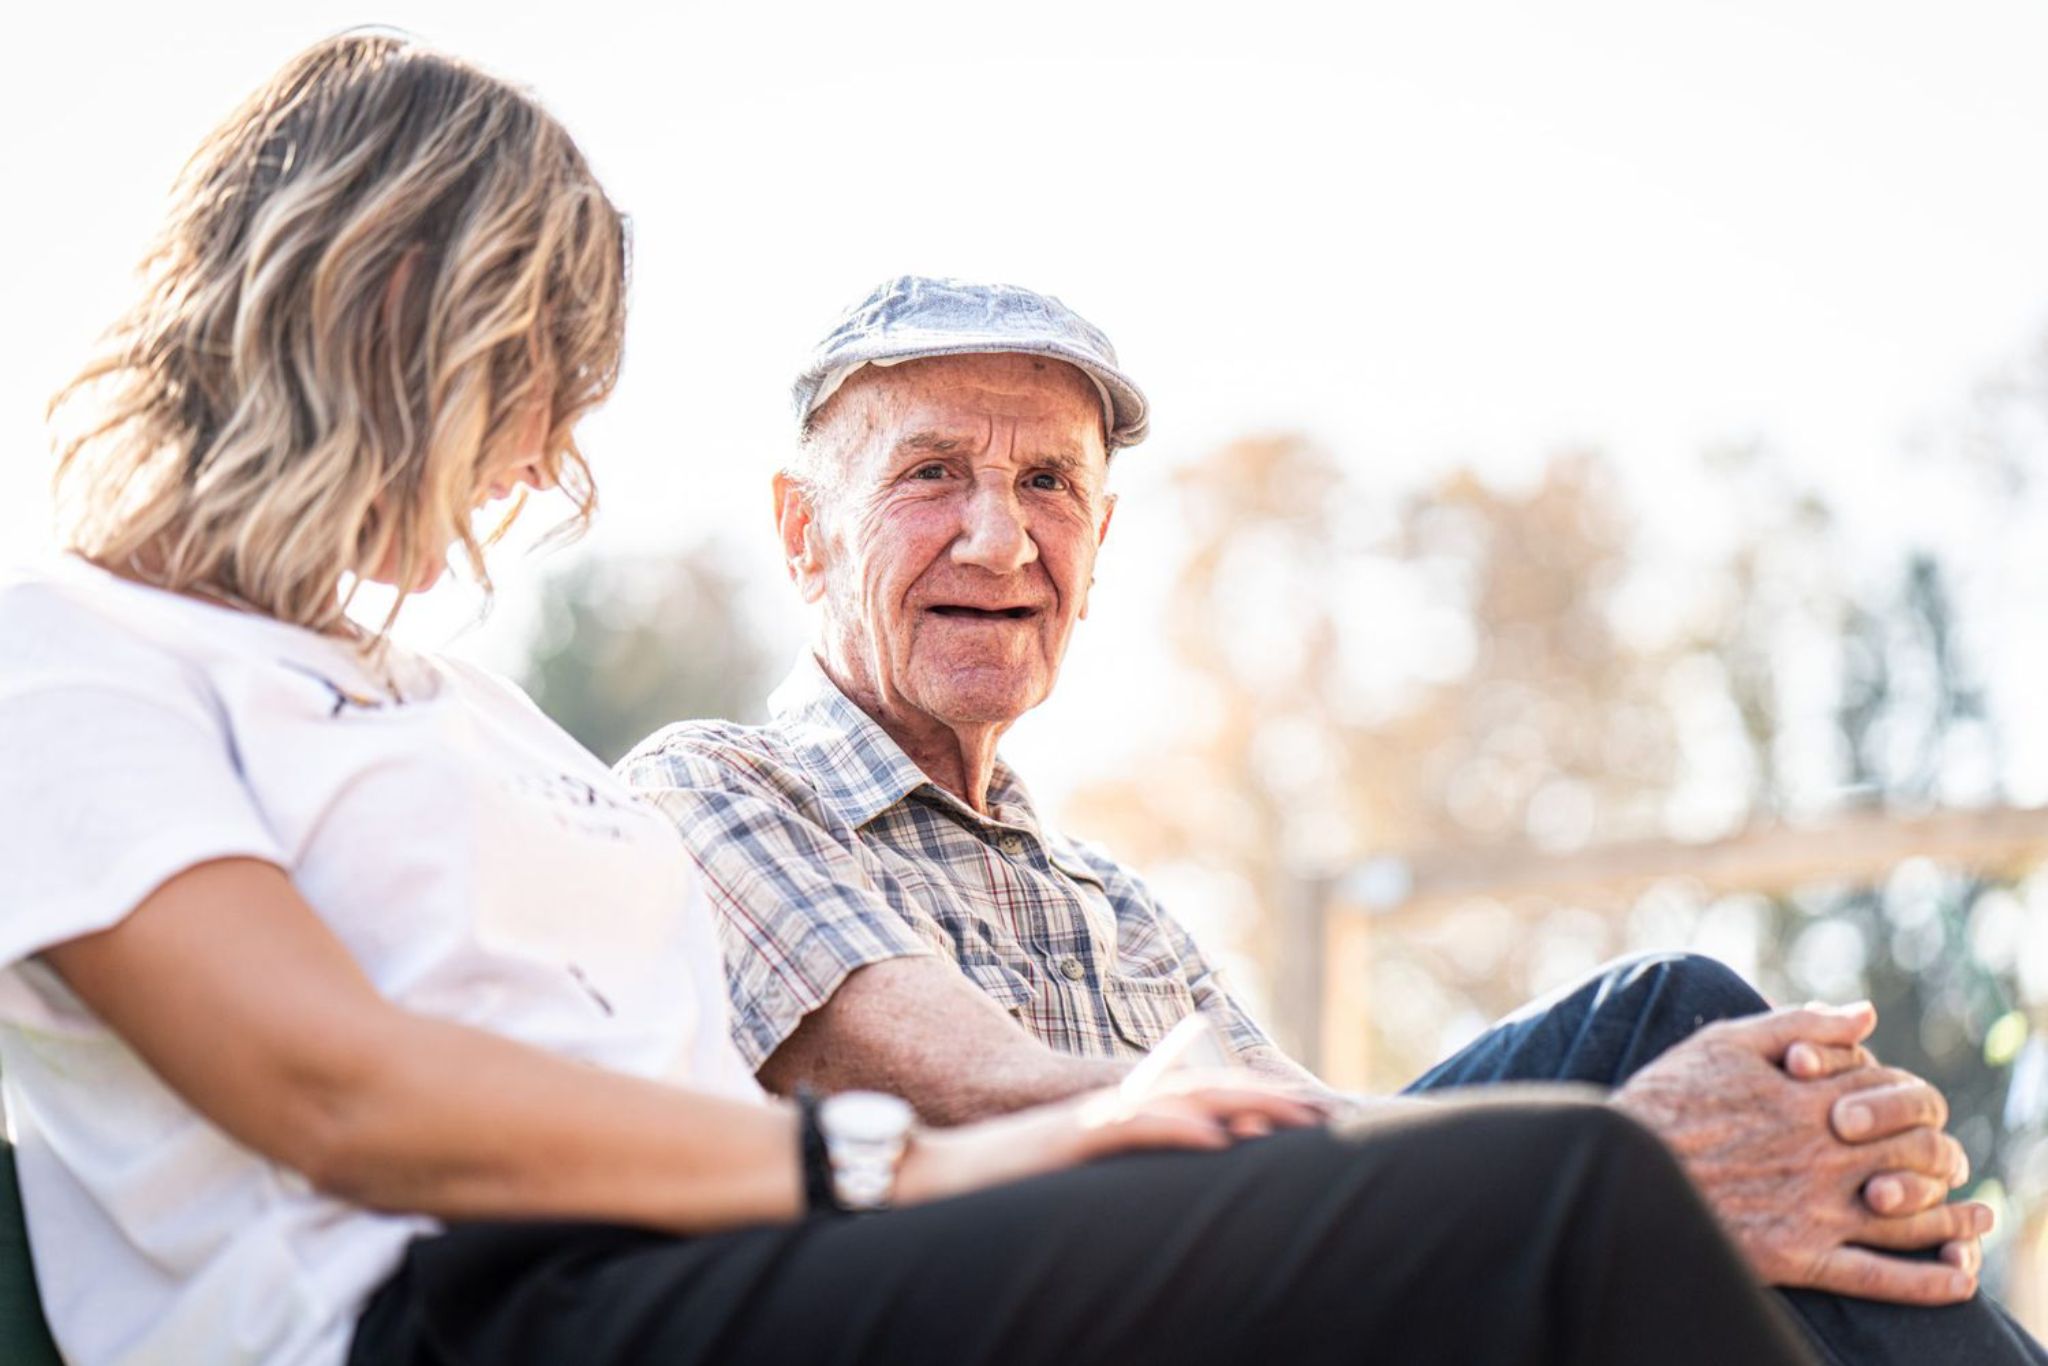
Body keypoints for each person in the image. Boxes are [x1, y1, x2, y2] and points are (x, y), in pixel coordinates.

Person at [0, 32, 1828, 1366]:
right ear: (378, 304)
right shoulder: (70, 649)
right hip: (479, 1310)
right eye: (531, 374)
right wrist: (947, 1165)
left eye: (1049, 488)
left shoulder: (457, 705)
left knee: (1648, 1077)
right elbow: (336, 1089)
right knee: (1572, 1193)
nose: (547, 465)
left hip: (727, 1251)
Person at [618, 274, 2048, 1364]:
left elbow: (1325, 1161)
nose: (1000, 537)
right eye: (932, 473)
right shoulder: (720, 789)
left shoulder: (1109, 898)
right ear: (805, 533)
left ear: (1098, 548)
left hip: (1264, 1305)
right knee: (1671, 1094)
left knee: (1697, 1031)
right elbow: (992, 1093)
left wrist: (1671, 1159)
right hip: (1049, 1325)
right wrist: (1617, 1168)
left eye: (1050, 482)